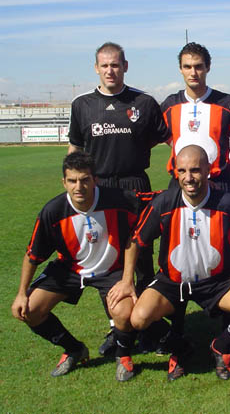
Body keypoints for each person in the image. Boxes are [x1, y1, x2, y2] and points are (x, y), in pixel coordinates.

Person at [109, 145, 230, 381]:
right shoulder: (164, 203)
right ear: (176, 172)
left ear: (208, 170)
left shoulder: (227, 203)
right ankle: (179, 347)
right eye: (182, 171)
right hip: (172, 282)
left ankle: (221, 346)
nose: (188, 178)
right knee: (138, 318)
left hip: (218, 282)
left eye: (195, 170)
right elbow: (136, 240)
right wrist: (127, 281)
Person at [68, 42, 170, 355]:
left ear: (125, 66)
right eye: (105, 65)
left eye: (116, 64)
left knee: (142, 260)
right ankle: (118, 328)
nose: (110, 70)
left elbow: (168, 140)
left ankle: (149, 325)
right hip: (100, 192)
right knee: (107, 263)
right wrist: (72, 192)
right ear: (96, 68)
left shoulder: (144, 102)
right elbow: (74, 149)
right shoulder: (83, 105)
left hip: (135, 187)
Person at [11, 151, 140, 382]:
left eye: (84, 179)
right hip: (70, 270)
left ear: (95, 180)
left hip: (110, 270)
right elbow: (32, 255)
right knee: (29, 310)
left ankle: (123, 355)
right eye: (72, 180)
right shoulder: (53, 212)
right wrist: (21, 293)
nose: (78, 186)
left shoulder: (120, 200)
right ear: (64, 182)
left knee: (124, 311)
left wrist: (128, 279)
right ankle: (73, 349)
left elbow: (135, 234)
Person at [161, 42, 230, 193]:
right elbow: (160, 135)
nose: (193, 73)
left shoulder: (227, 104)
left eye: (198, 66)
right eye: (187, 67)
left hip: (219, 184)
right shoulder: (169, 105)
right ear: (180, 69)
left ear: (207, 67)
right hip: (181, 185)